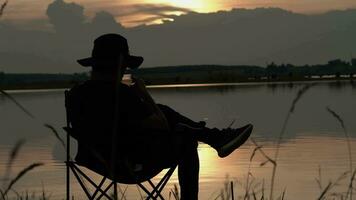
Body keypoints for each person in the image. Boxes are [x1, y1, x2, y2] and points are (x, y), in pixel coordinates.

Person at [66, 33, 253, 200]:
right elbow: (161, 124)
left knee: (170, 119)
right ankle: (211, 136)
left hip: (95, 161)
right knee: (186, 140)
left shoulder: (76, 94)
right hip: (130, 165)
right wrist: (144, 95)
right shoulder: (122, 94)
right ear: (121, 66)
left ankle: (210, 135)